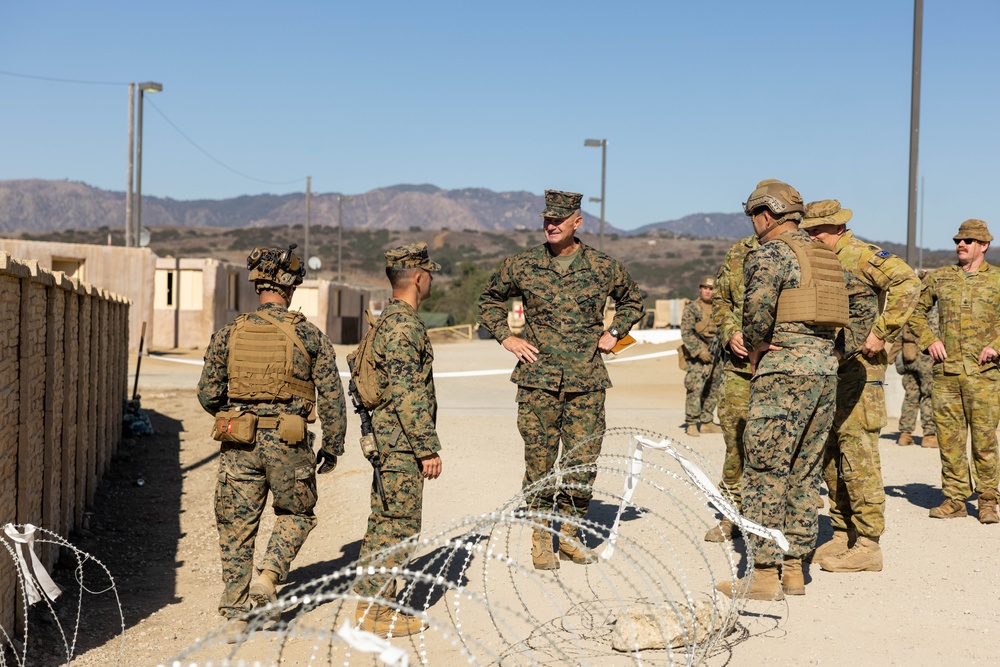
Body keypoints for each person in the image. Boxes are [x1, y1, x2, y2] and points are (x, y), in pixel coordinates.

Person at [478, 189, 644, 570]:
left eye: (558, 219)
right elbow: (489, 299)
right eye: (546, 219)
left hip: (586, 380)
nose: (551, 225)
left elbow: (633, 299)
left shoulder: (604, 267)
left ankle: (569, 533)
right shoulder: (521, 265)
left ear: (577, 222)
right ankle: (540, 537)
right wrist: (507, 337)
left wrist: (615, 331)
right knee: (539, 462)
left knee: (583, 462)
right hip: (538, 380)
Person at [197, 244, 346, 642]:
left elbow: (208, 395)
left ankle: (234, 614)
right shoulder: (310, 335)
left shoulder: (228, 333)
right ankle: (268, 576)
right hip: (289, 441)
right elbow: (332, 397)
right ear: (291, 287)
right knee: (297, 514)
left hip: (239, 441)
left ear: (257, 286)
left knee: (236, 527)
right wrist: (332, 446)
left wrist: (239, 411)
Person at [715, 179, 847, 600]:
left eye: (754, 215)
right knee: (804, 472)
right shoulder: (825, 255)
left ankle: (764, 575)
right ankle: (794, 569)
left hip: (784, 370)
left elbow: (756, 311)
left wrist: (755, 348)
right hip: (824, 371)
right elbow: (855, 307)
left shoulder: (769, 253)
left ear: (766, 215)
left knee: (765, 471)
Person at [800, 200, 921, 573]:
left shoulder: (861, 255)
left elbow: (908, 283)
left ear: (837, 227)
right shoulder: (818, 258)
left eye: (818, 231)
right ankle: (843, 533)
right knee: (831, 455)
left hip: (861, 372)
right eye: (809, 231)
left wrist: (881, 332)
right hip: (829, 370)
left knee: (859, 456)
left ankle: (868, 544)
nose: (812, 237)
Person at [353, 241, 443, 637]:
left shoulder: (385, 321)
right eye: (431, 274)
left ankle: (370, 604)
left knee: (384, 522)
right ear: (420, 278)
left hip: (387, 437)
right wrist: (427, 447)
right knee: (400, 526)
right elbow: (408, 392)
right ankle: (374, 612)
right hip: (401, 442)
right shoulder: (405, 326)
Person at [908, 219, 1000, 524]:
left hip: (984, 375)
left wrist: (996, 345)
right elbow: (915, 312)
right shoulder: (941, 278)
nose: (961, 245)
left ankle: (987, 500)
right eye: (958, 240)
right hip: (947, 375)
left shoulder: (997, 280)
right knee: (949, 440)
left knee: (985, 440)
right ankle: (955, 498)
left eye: (969, 241)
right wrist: (929, 339)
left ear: (984, 246)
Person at [704, 235, 758, 542]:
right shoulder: (740, 250)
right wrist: (729, 332)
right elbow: (721, 300)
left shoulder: (802, 247)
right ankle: (731, 515)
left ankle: (772, 519)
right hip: (739, 370)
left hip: (784, 368)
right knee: (735, 446)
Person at [681, 275, 724, 437]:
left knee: (714, 387)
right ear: (700, 289)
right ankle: (692, 422)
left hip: (717, 353)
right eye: (705, 288)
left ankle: (706, 421)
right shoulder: (693, 308)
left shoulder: (720, 308)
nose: (708, 291)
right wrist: (700, 350)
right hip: (699, 354)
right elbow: (686, 332)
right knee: (695, 387)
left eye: (711, 288)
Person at [894, 312, 938, 448]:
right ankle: (929, 436)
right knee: (929, 396)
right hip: (927, 358)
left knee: (911, 396)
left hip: (910, 356)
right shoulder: (934, 309)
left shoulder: (912, 307)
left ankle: (905, 435)